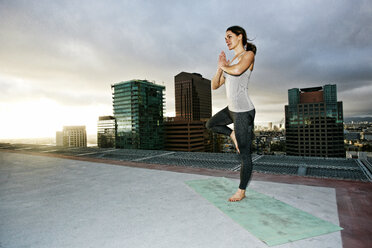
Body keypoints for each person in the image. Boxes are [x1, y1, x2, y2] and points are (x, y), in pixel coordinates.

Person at [206, 26, 256, 202]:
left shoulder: (248, 55)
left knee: (245, 155)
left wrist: (226, 66)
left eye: (229, 36)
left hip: (243, 112)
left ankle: (241, 191)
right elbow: (214, 85)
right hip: (231, 110)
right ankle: (232, 133)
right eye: (225, 38)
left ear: (240, 36)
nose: (226, 40)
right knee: (211, 124)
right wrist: (220, 68)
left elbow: (237, 71)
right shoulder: (231, 60)